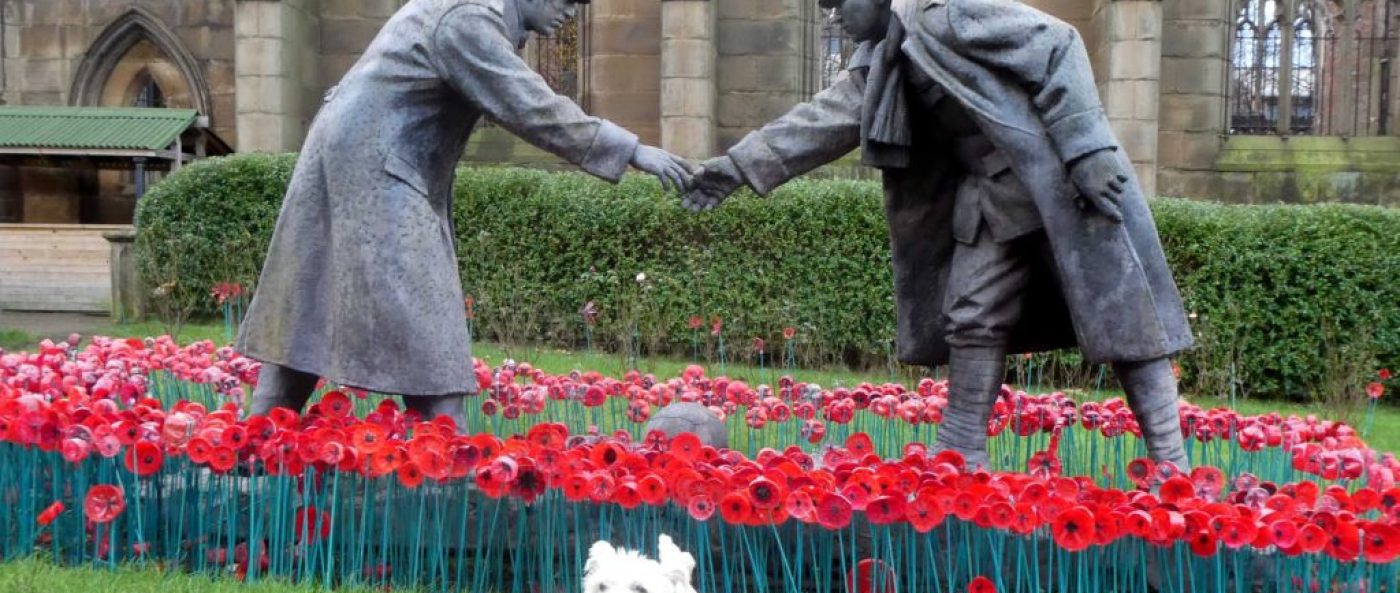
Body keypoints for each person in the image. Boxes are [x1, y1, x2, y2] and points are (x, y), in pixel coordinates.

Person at [684, 0, 1194, 471]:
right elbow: (820, 122)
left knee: (1126, 321)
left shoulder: (944, 12)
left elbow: (1057, 41)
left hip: (1059, 183)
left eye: (839, 2)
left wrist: (1087, 148)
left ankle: (1172, 466)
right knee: (971, 312)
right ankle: (961, 448)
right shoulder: (882, 56)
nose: (834, 16)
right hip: (992, 193)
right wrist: (734, 168)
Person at [238, 0, 694, 430]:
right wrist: (632, 149)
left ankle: (253, 441)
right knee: (431, 333)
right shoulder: (467, 16)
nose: (572, 9)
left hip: (357, 159)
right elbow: (527, 103)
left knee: (307, 305)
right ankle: (447, 460)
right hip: (377, 169)